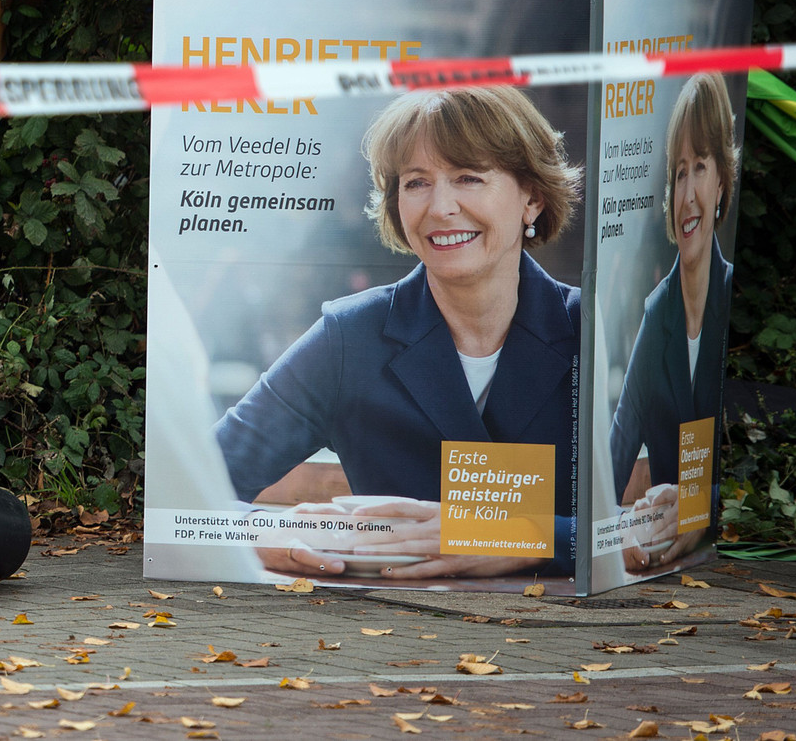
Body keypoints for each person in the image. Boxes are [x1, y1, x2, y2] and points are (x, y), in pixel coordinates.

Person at [215, 86, 583, 580]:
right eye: (416, 183)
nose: (440, 206)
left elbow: (663, 520)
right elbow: (195, 490)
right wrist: (261, 533)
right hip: (379, 629)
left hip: (566, 638)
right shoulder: (349, 337)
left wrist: (527, 538)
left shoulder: (589, 329)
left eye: (469, 177)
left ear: (532, 199)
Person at [609, 71, 737, 572]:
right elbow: (618, 448)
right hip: (660, 562)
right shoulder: (656, 314)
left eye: (700, 167)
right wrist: (608, 528)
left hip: (717, 570)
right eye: (679, 172)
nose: (687, 194)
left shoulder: (731, 297)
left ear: (723, 181)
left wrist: (701, 506)